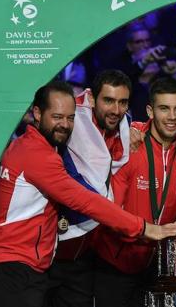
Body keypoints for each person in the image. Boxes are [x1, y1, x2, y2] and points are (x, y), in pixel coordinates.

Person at [0, 81, 176, 307]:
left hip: (24, 264)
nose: (65, 125)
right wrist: (147, 228)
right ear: (37, 113)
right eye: (57, 117)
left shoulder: (34, 146)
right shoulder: (37, 155)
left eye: (71, 118)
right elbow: (87, 202)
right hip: (15, 265)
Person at [92, 77, 176, 307]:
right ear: (150, 111)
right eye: (164, 109)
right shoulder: (131, 145)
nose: (171, 117)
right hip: (114, 263)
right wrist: (150, 231)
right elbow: (111, 212)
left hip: (156, 265)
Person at [46, 70, 133, 307]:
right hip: (52, 246)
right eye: (108, 100)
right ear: (92, 99)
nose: (116, 110)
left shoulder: (125, 126)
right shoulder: (70, 121)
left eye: (122, 102)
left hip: (88, 251)